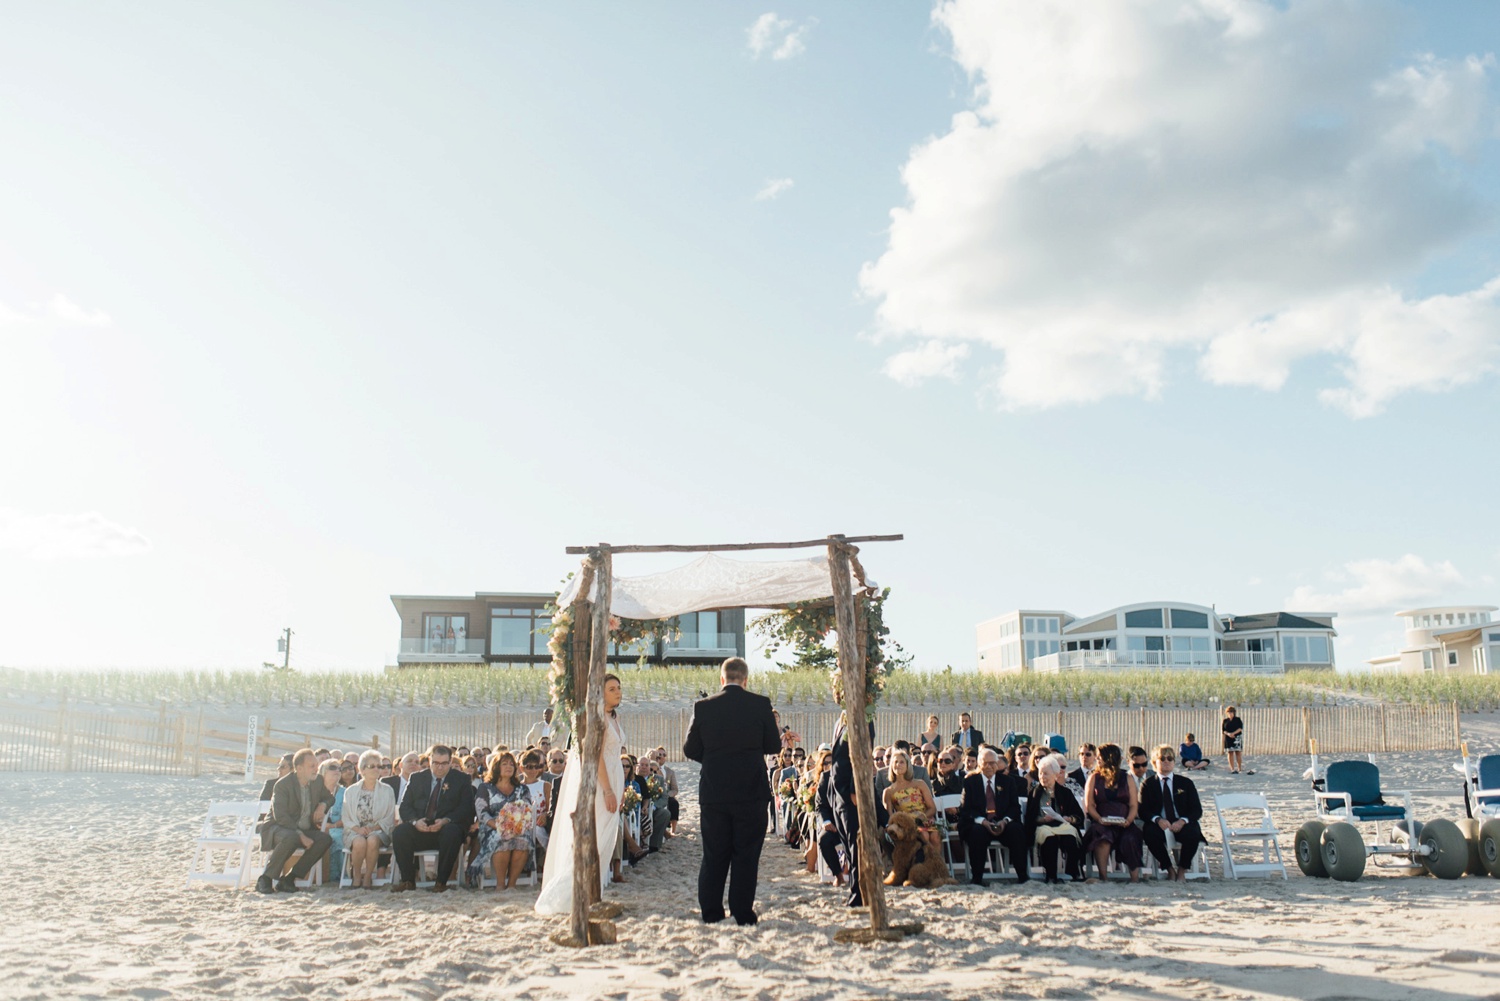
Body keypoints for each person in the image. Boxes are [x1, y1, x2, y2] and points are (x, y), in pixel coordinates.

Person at [683, 656, 781, 926]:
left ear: (722, 679)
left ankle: (712, 913)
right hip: (751, 791)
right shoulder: (760, 704)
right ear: (746, 680)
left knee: (714, 854)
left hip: (715, 792)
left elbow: (690, 749)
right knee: (746, 855)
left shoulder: (703, 707)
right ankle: (741, 912)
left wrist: (715, 759)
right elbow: (773, 746)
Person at [535, 674, 628, 914]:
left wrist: (621, 789)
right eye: (611, 688)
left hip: (615, 780)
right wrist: (607, 789)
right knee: (594, 839)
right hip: (600, 782)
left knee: (607, 838)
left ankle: (591, 893)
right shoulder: (596, 719)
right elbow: (595, 757)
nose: (617, 692)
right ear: (600, 692)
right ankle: (567, 895)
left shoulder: (613, 717)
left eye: (618, 688)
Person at [390, 744, 474, 893]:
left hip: (446, 828)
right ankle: (408, 881)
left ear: (450, 762)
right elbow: (405, 807)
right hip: (421, 827)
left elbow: (466, 808)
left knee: (452, 832)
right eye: (436, 763)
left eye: (444, 763)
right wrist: (415, 822)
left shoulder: (462, 779)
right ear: (429, 761)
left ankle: (441, 882)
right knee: (400, 832)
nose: (440, 767)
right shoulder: (417, 778)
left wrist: (446, 820)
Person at [256, 748, 333, 893]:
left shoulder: (317, 781)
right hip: (277, 827)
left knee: (324, 839)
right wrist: (300, 835)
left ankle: (289, 878)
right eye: (312, 766)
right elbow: (281, 816)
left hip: (304, 828)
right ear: (299, 768)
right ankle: (265, 878)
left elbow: (329, 797)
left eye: (316, 765)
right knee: (291, 837)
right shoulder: (282, 785)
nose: (316, 769)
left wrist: (323, 805)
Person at [828, 694, 877, 907]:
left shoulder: (863, 719)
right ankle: (854, 890)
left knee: (856, 845)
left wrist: (855, 790)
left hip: (850, 792)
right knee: (848, 845)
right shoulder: (841, 720)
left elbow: (862, 756)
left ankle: (859, 892)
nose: (838, 695)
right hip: (836, 791)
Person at [958, 747, 1028, 885]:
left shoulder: (1008, 782)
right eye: (986, 763)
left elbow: (1015, 807)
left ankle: (1022, 875)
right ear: (979, 764)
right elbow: (966, 809)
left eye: (993, 763)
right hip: (981, 823)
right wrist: (983, 821)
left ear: (998, 764)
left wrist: (1004, 821)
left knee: (1016, 830)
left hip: (1002, 823)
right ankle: (977, 877)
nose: (990, 766)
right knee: (976, 833)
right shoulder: (970, 782)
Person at [468, 751, 534, 890]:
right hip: (492, 827)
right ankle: (500, 884)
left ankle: (511, 885)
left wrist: (516, 826)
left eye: (511, 764)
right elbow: (482, 813)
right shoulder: (484, 788)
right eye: (504, 764)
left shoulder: (522, 789)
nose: (509, 766)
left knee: (524, 840)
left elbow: (526, 810)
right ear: (496, 767)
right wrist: (500, 826)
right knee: (501, 838)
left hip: (518, 827)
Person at [1139, 744, 1205, 881]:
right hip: (1161, 824)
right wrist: (1158, 819)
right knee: (1149, 832)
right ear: (1154, 762)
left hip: (1181, 822)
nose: (1167, 761)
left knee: (1193, 832)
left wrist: (1182, 821)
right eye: (1162, 758)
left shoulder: (1186, 783)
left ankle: (1182, 869)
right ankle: (1169, 868)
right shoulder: (1148, 784)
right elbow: (1143, 810)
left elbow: (1196, 810)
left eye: (1170, 758)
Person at [1082, 743, 1143, 882]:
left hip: (1124, 821)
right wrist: (1098, 818)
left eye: (1099, 757)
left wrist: (1129, 819)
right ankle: (1104, 877)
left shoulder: (1127, 778)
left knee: (1131, 838)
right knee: (1101, 835)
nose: (1097, 759)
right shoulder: (1094, 778)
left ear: (1109, 758)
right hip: (1102, 820)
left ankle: (1134, 879)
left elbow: (1133, 804)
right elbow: (1089, 804)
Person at [1025, 755, 1084, 883]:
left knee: (1071, 839)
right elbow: (1030, 817)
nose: (1042, 777)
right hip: (1043, 826)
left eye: (1046, 774)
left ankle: (1071, 874)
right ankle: (1051, 876)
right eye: (1040, 773)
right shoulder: (1035, 793)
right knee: (1050, 840)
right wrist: (1042, 819)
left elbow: (1078, 815)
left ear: (1055, 775)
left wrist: (1070, 818)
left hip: (1062, 825)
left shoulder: (1065, 792)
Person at [343, 749, 397, 888]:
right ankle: (356, 876)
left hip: (379, 830)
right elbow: (346, 816)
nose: (376, 769)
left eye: (379, 766)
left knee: (372, 840)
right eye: (371, 766)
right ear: (362, 770)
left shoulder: (387, 790)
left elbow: (389, 817)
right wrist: (358, 829)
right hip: (355, 830)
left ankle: (367, 877)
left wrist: (373, 828)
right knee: (360, 842)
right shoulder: (351, 791)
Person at [881, 748, 941, 859]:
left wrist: (921, 817)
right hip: (906, 824)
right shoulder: (888, 792)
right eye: (895, 762)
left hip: (924, 819)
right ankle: (924, 867)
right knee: (924, 835)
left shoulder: (919, 784)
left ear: (908, 765)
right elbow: (890, 818)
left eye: (902, 762)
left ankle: (936, 868)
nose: (898, 765)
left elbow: (932, 808)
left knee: (935, 837)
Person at [1223, 707, 1252, 774]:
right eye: (1228, 712)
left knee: (1238, 752)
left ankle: (1239, 768)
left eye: (1231, 712)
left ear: (1234, 712)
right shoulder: (1225, 721)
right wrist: (1228, 734)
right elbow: (1223, 730)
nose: (1230, 713)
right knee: (1230, 753)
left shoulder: (1237, 719)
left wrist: (1233, 733)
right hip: (1228, 738)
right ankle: (1232, 768)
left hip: (1237, 737)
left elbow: (1240, 728)